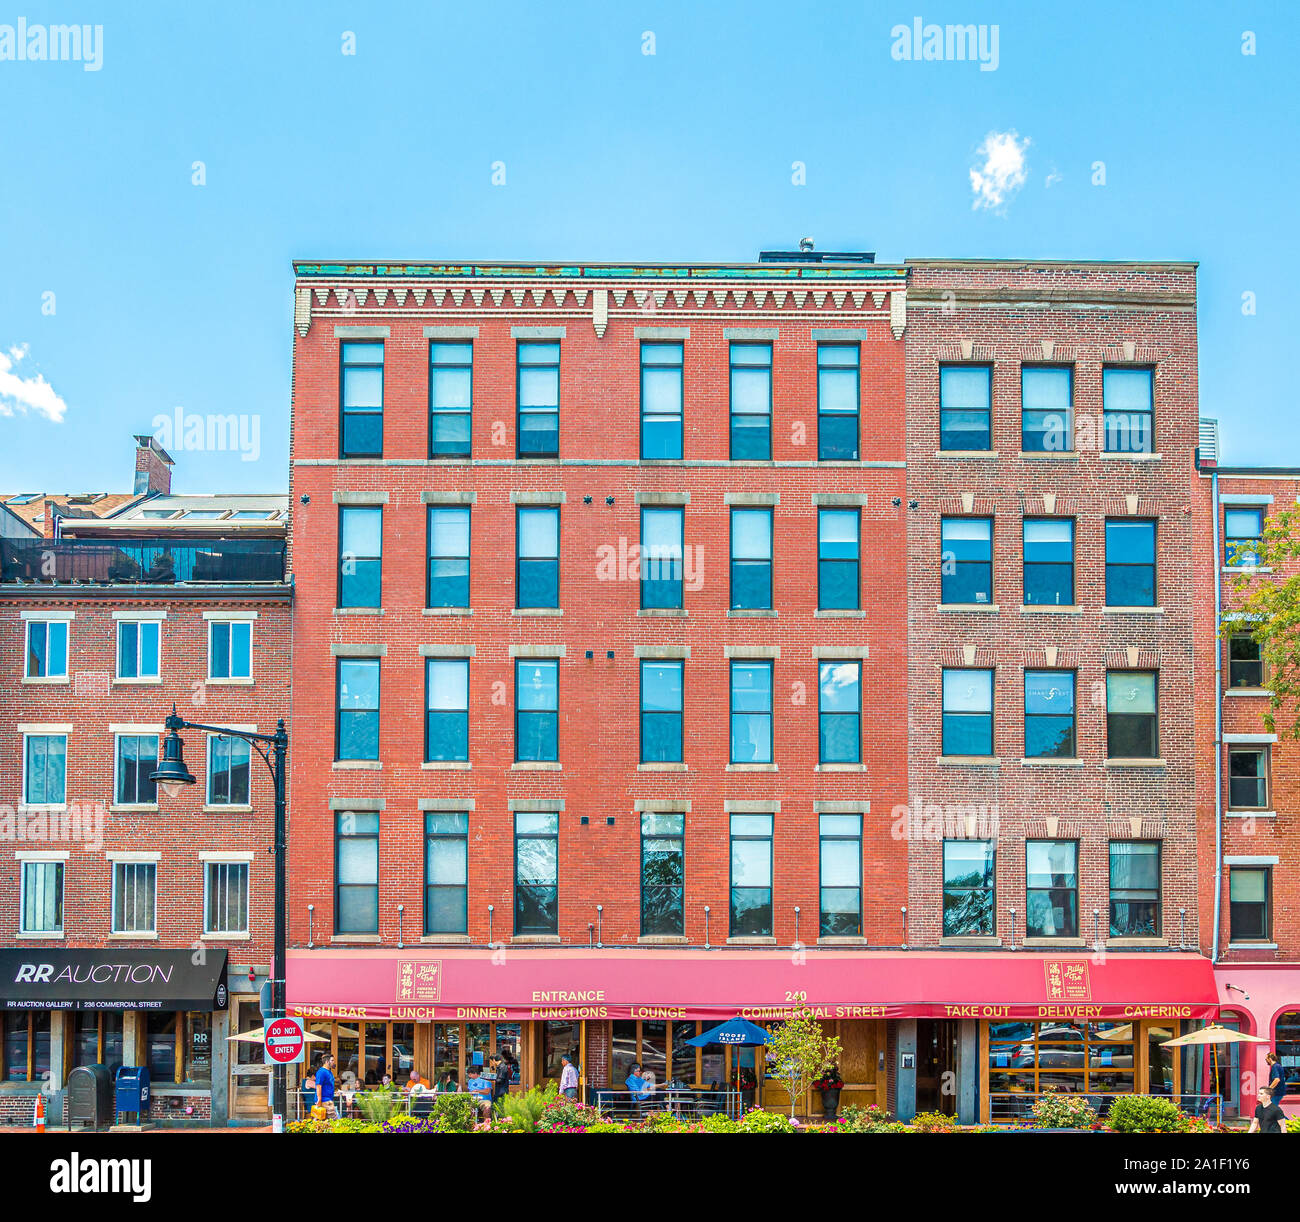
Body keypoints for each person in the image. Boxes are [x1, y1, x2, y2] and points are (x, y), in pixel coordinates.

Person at [314, 1053, 337, 1118]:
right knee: (334, 1120)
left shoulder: (329, 1071)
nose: (333, 1062)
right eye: (332, 1060)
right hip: (324, 1100)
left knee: (322, 1121)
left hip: (328, 1099)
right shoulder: (321, 1072)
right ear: (327, 1062)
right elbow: (318, 1085)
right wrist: (319, 1099)